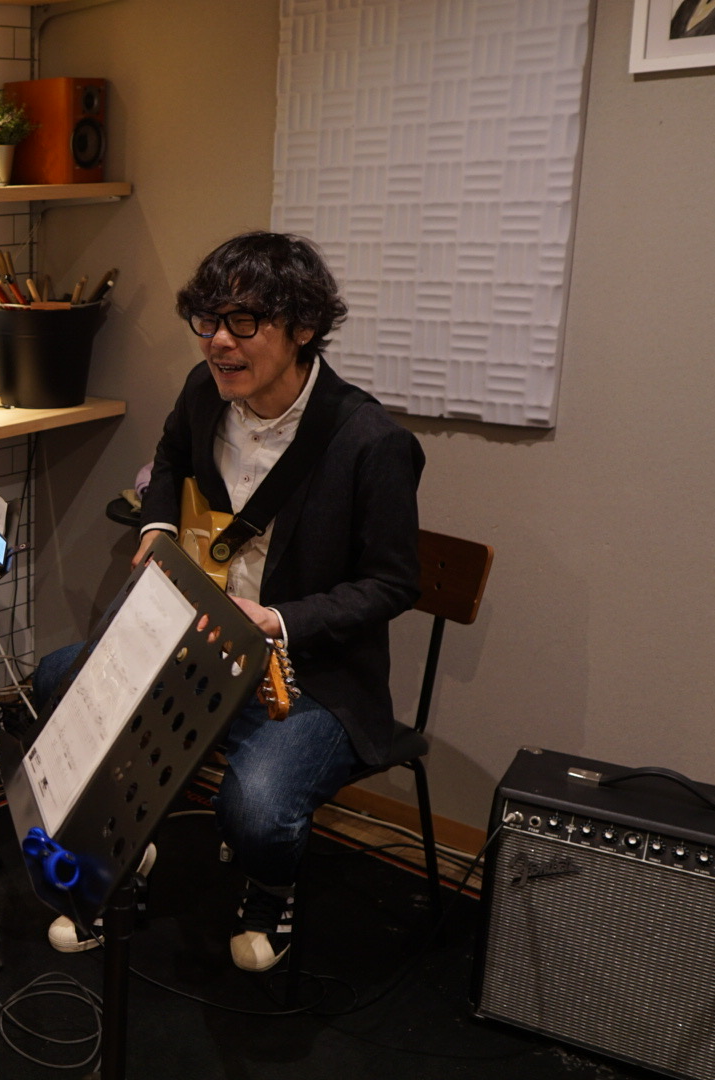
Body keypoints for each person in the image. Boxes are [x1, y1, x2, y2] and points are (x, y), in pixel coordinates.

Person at [35, 231, 423, 972]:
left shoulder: (370, 441)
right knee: (60, 679)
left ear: (303, 328)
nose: (218, 341)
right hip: (199, 648)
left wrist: (277, 619)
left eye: (243, 322)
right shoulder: (203, 392)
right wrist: (155, 524)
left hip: (307, 673)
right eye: (208, 320)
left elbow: (392, 583)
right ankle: (124, 850)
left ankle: (271, 883)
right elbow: (169, 458)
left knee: (257, 809)